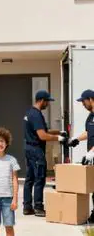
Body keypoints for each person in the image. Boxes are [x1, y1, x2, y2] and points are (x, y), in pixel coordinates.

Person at [22, 90, 65, 217]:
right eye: (47, 101)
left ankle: (27, 207)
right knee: (40, 178)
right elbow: (42, 135)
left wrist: (58, 132)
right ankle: (39, 207)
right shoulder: (36, 115)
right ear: (42, 100)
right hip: (36, 150)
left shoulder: (29, 112)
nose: (48, 104)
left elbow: (41, 131)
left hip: (29, 148)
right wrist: (58, 139)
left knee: (29, 178)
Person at [68, 89, 94, 222]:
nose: (83, 104)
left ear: (90, 99)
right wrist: (77, 139)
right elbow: (89, 132)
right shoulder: (90, 116)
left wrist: (92, 152)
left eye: (83, 101)